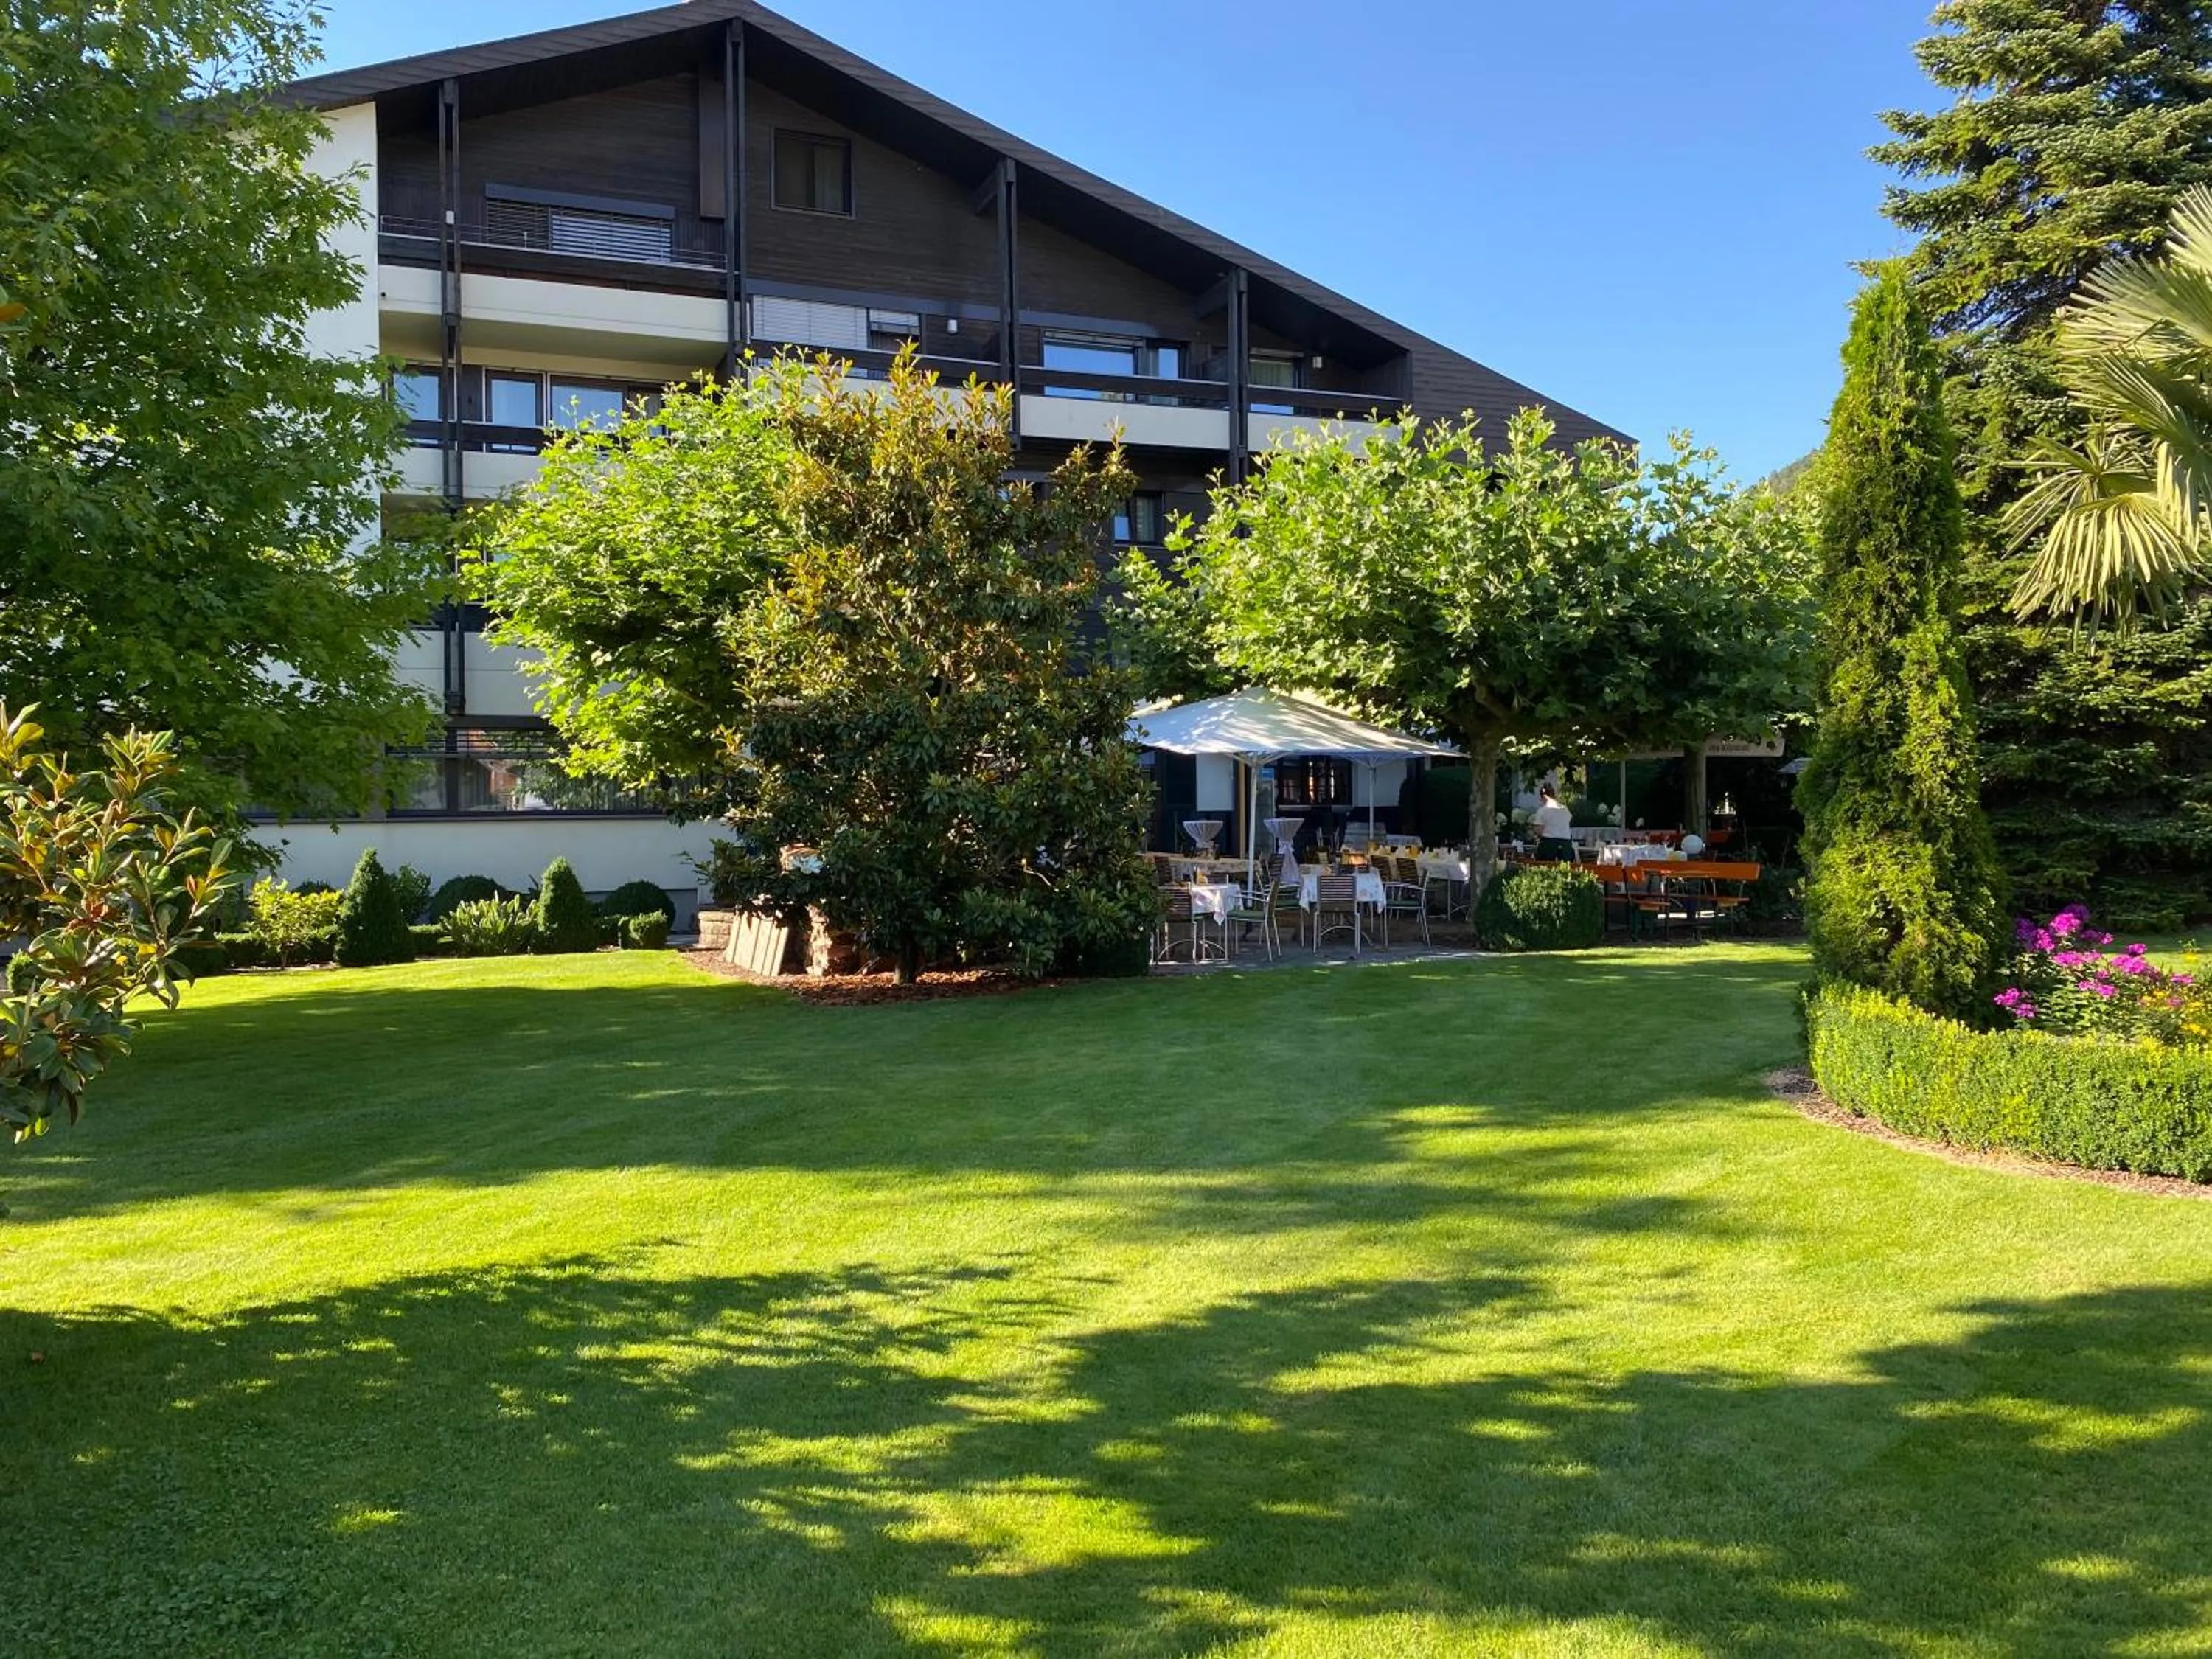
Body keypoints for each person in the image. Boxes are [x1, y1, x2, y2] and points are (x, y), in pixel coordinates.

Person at [1534, 784, 1575, 861]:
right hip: (1566, 844)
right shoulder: (1565, 809)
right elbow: (1569, 821)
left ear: (1544, 797)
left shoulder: (1542, 811)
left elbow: (1538, 830)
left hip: (1549, 844)